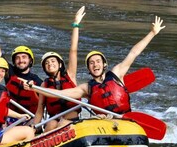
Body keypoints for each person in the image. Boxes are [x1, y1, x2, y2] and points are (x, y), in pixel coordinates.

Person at [28, 16, 166, 115]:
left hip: (124, 119)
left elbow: (134, 52)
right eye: (91, 63)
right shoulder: (86, 88)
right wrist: (33, 88)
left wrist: (152, 33)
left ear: (104, 64)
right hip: (103, 122)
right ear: (89, 69)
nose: (95, 65)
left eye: (98, 61)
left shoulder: (117, 73)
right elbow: (60, 93)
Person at [31, 6, 86, 132]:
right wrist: (33, 127)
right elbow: (40, 110)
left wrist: (75, 24)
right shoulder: (45, 84)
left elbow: (73, 50)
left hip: (71, 121)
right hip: (54, 121)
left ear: (60, 64)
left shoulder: (70, 75)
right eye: (47, 63)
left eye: (53, 61)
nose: (50, 64)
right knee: (51, 124)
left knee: (62, 123)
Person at [0, 14, 43, 119]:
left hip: (29, 117)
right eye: (17, 58)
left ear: (30, 61)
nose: (21, 60)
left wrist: (35, 89)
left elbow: (46, 98)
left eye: (24, 57)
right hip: (9, 116)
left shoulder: (37, 80)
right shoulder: (10, 72)